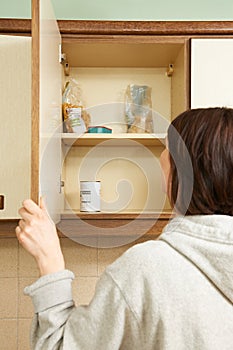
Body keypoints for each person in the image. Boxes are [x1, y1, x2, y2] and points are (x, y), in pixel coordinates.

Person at [16, 107, 233, 350]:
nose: (161, 157)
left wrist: (50, 260)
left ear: (181, 170)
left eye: (167, 149)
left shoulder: (146, 270)